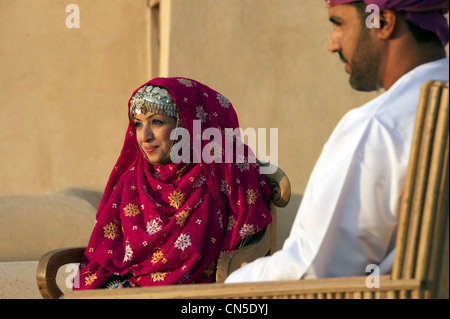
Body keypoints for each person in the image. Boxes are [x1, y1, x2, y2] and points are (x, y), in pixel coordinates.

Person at [225, 0, 449, 283]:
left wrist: (239, 282)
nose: (332, 44)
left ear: (382, 22)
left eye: (339, 24)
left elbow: (315, 270)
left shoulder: (377, 127)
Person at [73, 77, 272, 289]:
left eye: (156, 122)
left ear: (185, 124)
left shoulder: (218, 177)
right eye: (138, 125)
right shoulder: (132, 181)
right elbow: (104, 256)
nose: (145, 136)